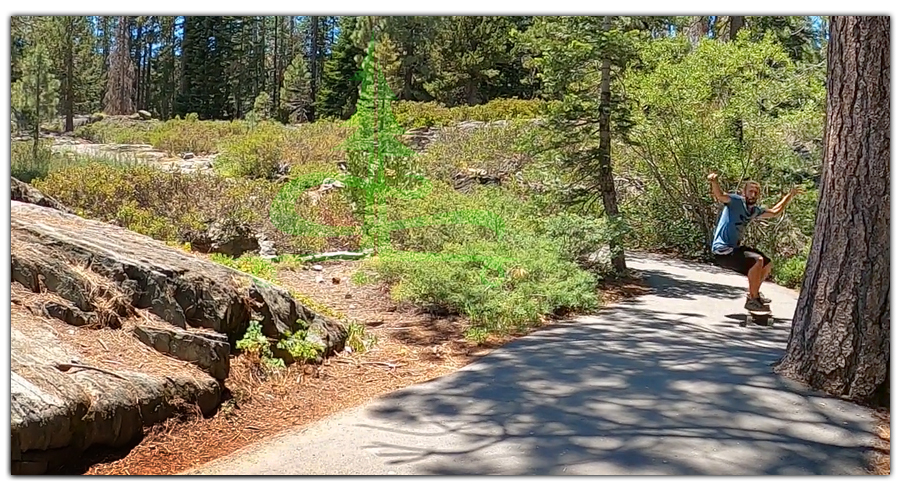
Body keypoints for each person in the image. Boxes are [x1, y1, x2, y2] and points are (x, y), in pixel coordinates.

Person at [707, 172, 800, 312]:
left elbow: (774, 212)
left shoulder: (754, 211)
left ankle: (753, 294)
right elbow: (720, 196)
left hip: (733, 249)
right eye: (750, 191)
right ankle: (754, 298)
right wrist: (714, 181)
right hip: (722, 250)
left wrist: (789, 196)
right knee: (758, 260)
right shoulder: (735, 201)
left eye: (756, 192)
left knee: (767, 263)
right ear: (743, 192)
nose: (753, 194)